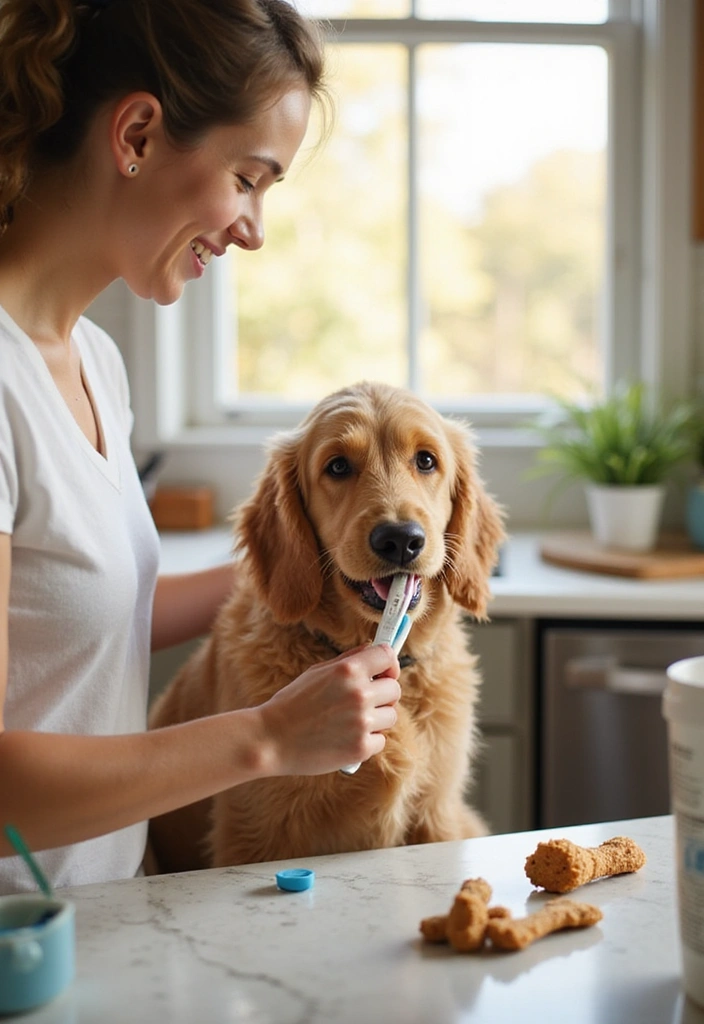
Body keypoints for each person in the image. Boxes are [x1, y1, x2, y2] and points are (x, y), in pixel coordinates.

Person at [0, 0, 401, 895]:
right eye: (250, 178)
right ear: (137, 133)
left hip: (104, 909)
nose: (254, 228)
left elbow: (74, 617)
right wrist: (265, 738)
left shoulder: (93, 362)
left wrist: (321, 567)